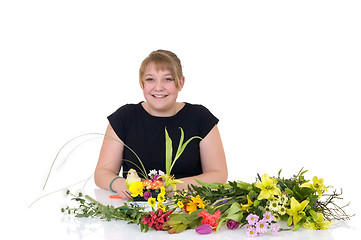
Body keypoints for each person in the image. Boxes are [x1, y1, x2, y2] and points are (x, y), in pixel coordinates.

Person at [94, 50, 227, 199]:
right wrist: (120, 184)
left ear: (180, 82)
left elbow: (218, 175)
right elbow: (102, 173)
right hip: (134, 207)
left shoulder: (200, 117)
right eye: (150, 79)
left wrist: (169, 187)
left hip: (188, 208)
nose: (158, 87)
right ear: (141, 84)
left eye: (168, 79)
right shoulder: (124, 117)